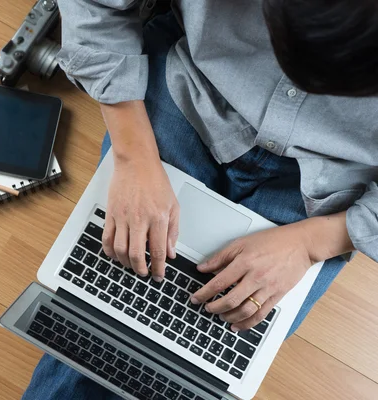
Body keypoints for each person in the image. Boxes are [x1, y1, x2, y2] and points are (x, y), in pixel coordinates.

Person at [23, 0, 378, 398]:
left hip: (337, 183)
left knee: (203, 362)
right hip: (192, 86)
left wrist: (314, 243)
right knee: (106, 310)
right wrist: (132, 153)